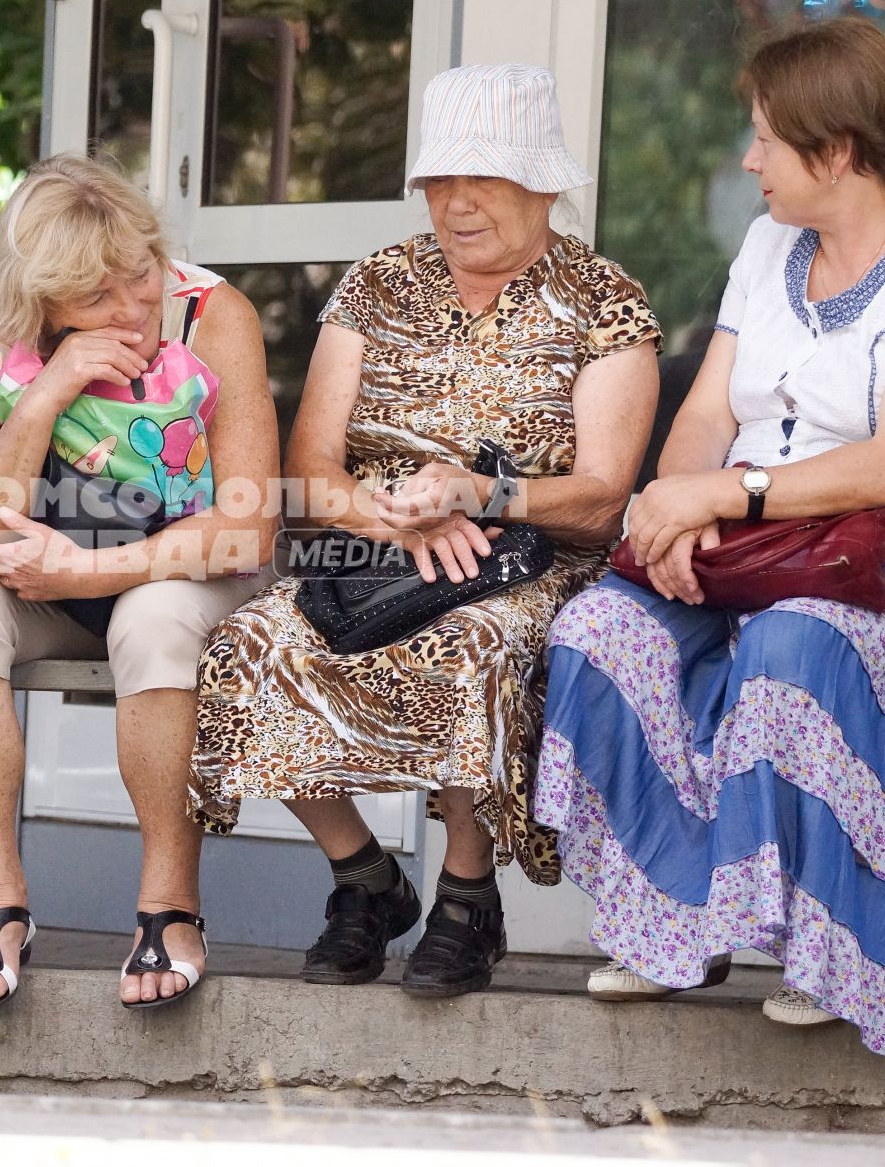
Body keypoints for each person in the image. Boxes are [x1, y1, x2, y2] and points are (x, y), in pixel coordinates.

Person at [539, 18, 885, 1058]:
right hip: (750, 552)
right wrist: (676, 508)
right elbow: (708, 411)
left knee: (794, 644)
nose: (749, 160)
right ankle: (677, 924)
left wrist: (722, 492)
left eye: (765, 138)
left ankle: (835, 946)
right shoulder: (771, 248)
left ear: (837, 149)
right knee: (598, 629)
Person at [191, 64, 662, 996]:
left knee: (473, 642)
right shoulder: (377, 285)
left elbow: (603, 497)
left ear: (543, 184)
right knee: (247, 642)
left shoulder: (605, 301)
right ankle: (363, 878)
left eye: (479, 179)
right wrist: (393, 516)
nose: (455, 202)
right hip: (381, 551)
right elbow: (311, 470)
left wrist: (477, 495)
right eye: (440, 181)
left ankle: (465, 896)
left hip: (533, 561)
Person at [0, 154, 279, 1011]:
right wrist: (47, 394)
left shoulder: (213, 316)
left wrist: (90, 567)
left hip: (186, 574)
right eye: (96, 298)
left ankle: (169, 906)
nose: (131, 310)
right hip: (43, 581)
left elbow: (247, 525)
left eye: (140, 276)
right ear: (35, 299)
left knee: (151, 616)